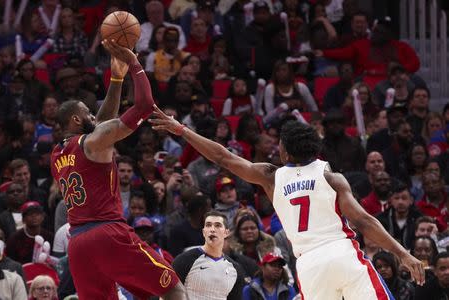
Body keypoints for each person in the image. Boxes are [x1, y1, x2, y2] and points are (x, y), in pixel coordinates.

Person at [150, 109, 425, 299]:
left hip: (308, 264)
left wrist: (182, 130)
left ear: (287, 151)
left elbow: (223, 157)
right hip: (342, 253)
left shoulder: (271, 176)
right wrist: (403, 253)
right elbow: (365, 221)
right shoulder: (332, 177)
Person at [50, 40, 187, 299]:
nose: (94, 116)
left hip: (78, 243)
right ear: (77, 120)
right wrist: (134, 63)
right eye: (88, 113)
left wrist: (116, 79)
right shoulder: (92, 141)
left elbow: (102, 123)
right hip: (107, 232)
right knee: (173, 288)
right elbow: (145, 105)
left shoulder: (57, 153)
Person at [172, 211, 245, 300]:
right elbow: (168, 293)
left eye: (218, 225)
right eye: (208, 225)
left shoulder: (235, 269)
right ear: (203, 232)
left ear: (226, 233)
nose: (212, 229)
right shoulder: (184, 260)